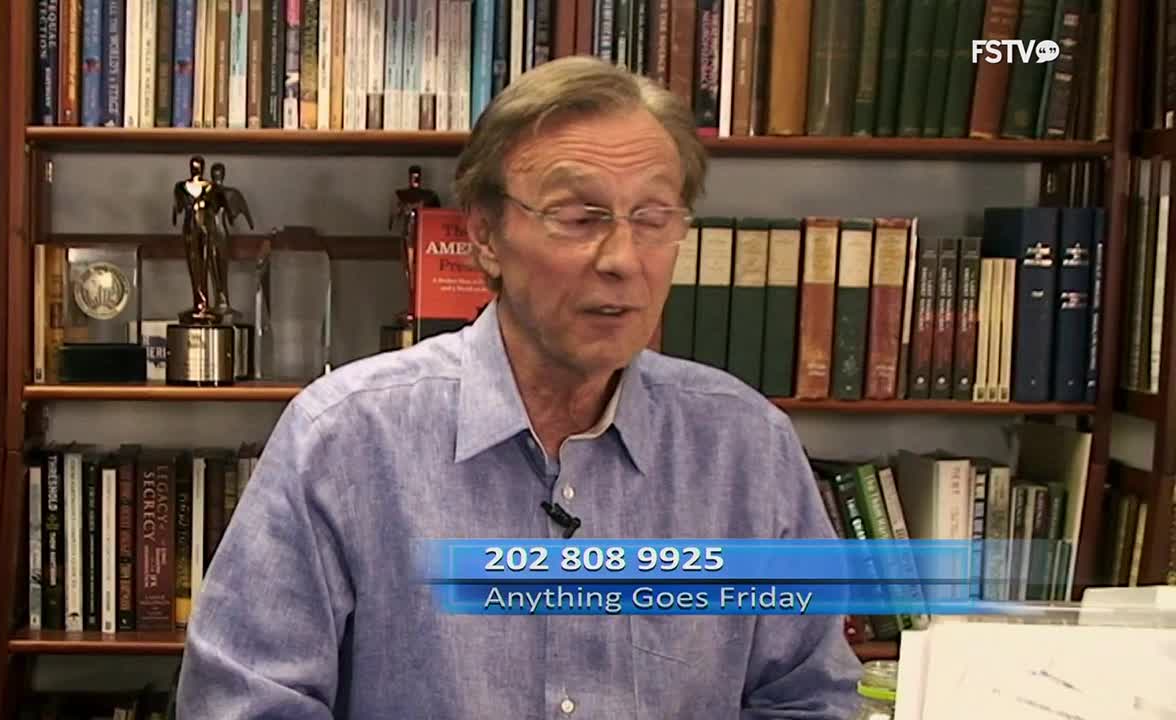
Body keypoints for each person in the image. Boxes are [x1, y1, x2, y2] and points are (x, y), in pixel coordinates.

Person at [177, 55, 863, 719]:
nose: (623, 260)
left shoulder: (745, 448)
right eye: (578, 217)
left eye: (653, 219)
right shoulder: (345, 438)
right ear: (484, 236)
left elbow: (808, 699)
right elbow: (243, 704)